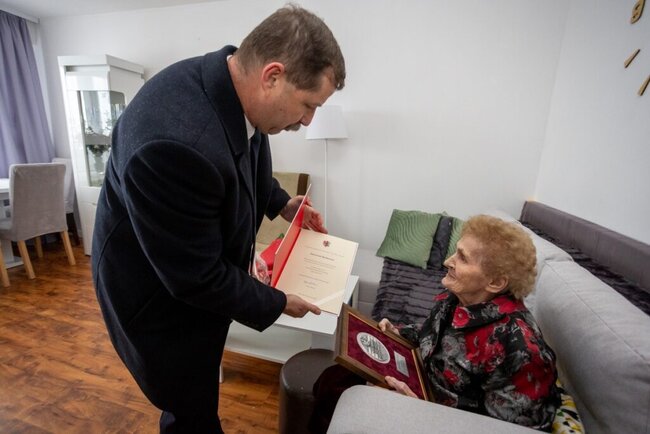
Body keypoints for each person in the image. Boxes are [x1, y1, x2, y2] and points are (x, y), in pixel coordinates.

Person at [91, 5, 345, 433]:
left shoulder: (233, 87)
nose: (307, 121)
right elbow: (196, 277)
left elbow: (245, 155)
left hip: (186, 273)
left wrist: (281, 203)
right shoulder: (176, 146)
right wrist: (279, 303)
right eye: (308, 105)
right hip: (157, 301)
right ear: (273, 76)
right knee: (189, 404)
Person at [310, 215, 560, 432]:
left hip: (441, 418)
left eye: (462, 258)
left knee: (348, 399)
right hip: (419, 384)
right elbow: (432, 332)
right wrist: (398, 332)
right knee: (334, 379)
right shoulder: (459, 298)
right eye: (456, 251)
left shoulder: (522, 350)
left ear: (495, 282)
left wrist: (422, 409)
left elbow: (502, 429)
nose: (447, 261)